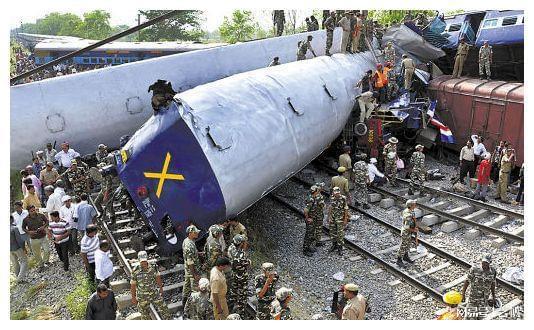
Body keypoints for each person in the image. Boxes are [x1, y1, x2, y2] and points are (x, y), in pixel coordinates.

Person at [130, 250, 171, 319]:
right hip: (142, 296)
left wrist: (161, 288)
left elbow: (158, 278)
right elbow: (133, 285)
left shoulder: (153, 266)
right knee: (144, 315)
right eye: (142, 261)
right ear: (139, 260)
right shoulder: (135, 270)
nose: (143, 263)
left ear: (147, 259)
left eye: (144, 261)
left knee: (164, 309)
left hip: (154, 293)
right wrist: (133, 297)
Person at [461, 254, 497, 319]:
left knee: (480, 318)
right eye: (483, 262)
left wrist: (494, 296)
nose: (484, 264)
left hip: (484, 300)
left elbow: (492, 284)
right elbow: (467, 281)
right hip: (473, 299)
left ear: (490, 262)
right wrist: (463, 294)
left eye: (486, 263)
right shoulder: (474, 269)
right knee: (469, 318)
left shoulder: (493, 272)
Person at [227, 234, 251, 316]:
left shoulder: (230, 248)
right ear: (241, 243)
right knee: (242, 295)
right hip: (241, 276)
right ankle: (241, 313)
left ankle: (229, 309)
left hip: (233, 273)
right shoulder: (241, 254)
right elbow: (247, 263)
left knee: (233, 291)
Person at [22, 205, 50, 271]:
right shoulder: (26, 219)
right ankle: (41, 265)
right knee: (37, 253)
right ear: (28, 212)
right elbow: (23, 228)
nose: (33, 212)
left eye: (34, 210)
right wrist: (29, 232)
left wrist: (43, 226)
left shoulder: (41, 215)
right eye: (31, 211)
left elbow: (47, 221)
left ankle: (45, 261)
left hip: (43, 236)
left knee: (47, 250)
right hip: (33, 238)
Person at [182, 224, 202, 306]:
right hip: (192, 272)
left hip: (188, 271)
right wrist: (195, 275)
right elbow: (190, 262)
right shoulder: (189, 245)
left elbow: (191, 255)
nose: (197, 233)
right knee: (196, 291)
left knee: (186, 289)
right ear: (190, 233)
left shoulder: (188, 241)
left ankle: (184, 305)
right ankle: (195, 309)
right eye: (195, 232)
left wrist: (198, 253)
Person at [303, 185, 325, 255]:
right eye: (317, 190)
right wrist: (307, 218)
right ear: (315, 191)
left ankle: (309, 246)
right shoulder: (311, 199)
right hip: (311, 220)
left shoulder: (314, 197)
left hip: (314, 218)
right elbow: (306, 210)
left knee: (311, 234)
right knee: (308, 235)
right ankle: (305, 250)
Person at [396, 199, 417, 267]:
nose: (415, 205)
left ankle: (405, 257)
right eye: (414, 204)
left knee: (407, 245)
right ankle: (399, 260)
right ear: (411, 206)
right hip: (406, 232)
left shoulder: (409, 211)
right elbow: (406, 227)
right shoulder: (408, 215)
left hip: (409, 232)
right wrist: (414, 230)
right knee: (403, 245)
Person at [328, 187, 349, 256]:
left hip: (340, 218)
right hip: (333, 217)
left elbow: (346, 209)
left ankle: (340, 248)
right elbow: (330, 207)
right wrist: (329, 217)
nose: (337, 194)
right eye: (335, 193)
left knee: (340, 234)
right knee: (332, 232)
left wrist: (345, 219)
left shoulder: (343, 198)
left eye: (338, 192)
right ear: (333, 193)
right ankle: (334, 245)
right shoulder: (332, 198)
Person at [10, 216, 28, 283]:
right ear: (11, 220)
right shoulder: (14, 228)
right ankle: (19, 279)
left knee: (15, 263)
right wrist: (24, 248)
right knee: (24, 261)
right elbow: (19, 240)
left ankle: (18, 277)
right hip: (17, 248)